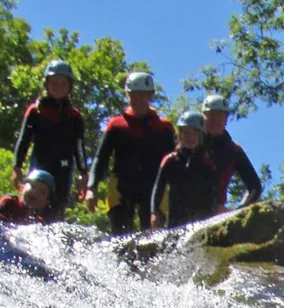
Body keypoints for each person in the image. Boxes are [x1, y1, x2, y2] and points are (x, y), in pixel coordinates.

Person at [85, 72, 176, 235]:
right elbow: (101, 158)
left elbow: (176, 164)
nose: (138, 100)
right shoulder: (116, 125)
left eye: (143, 95)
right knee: (119, 236)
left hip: (153, 189)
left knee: (153, 239)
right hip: (122, 187)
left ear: (150, 96)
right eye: (133, 95)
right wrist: (92, 187)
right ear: (127, 95)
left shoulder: (164, 128)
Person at [12, 59, 87, 221]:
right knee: (31, 202)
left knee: (57, 206)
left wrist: (83, 172)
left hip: (63, 168)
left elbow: (79, 147)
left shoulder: (74, 116)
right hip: (39, 165)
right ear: (46, 84)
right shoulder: (36, 111)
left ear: (69, 87)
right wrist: (17, 166)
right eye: (54, 83)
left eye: (63, 84)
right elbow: (24, 140)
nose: (58, 87)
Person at [150, 111, 219, 228]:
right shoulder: (170, 160)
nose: (190, 137)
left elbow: (213, 196)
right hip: (175, 222)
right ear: (180, 134)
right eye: (186, 133)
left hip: (201, 222)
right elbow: (158, 189)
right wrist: (154, 212)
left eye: (195, 133)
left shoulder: (208, 164)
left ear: (201, 136)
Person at [201, 95, 262, 211]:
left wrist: (237, 212)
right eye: (211, 115)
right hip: (184, 213)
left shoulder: (234, 151)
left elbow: (254, 187)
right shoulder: (188, 144)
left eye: (220, 115)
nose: (215, 120)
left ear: (226, 119)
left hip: (213, 216)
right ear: (203, 117)